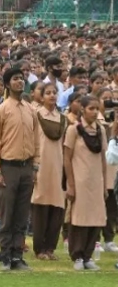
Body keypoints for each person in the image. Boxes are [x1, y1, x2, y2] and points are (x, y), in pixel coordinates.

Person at [0, 66, 40, 272]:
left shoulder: (31, 110)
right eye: (16, 79)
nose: (20, 82)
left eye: (22, 78)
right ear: (8, 84)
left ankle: (18, 256)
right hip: (8, 167)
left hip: (26, 167)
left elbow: (37, 141)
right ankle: (5, 257)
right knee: (6, 215)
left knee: (21, 216)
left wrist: (35, 166)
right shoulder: (1, 110)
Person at [64, 96, 108, 271]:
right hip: (80, 180)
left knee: (95, 219)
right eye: (91, 108)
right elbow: (67, 158)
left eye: (97, 108)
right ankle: (77, 256)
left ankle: (88, 256)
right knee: (79, 219)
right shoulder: (74, 130)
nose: (95, 112)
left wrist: (104, 184)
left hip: (96, 181)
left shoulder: (101, 131)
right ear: (82, 109)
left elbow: (103, 159)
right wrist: (71, 183)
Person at [31, 82, 66, 261]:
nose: (52, 96)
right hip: (41, 166)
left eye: (54, 93)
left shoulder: (62, 118)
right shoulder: (36, 116)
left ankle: (50, 248)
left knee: (57, 209)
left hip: (57, 166)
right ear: (42, 96)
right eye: (48, 93)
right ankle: (39, 249)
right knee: (41, 208)